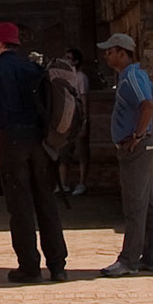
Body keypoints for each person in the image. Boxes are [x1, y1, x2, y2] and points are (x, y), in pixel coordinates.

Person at [0, 22, 67, 282]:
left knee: (20, 204)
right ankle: (57, 265)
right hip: (40, 139)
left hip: (13, 138)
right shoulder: (34, 68)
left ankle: (29, 266)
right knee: (46, 201)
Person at [99, 33, 153, 277]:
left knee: (135, 205)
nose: (106, 55)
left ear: (122, 53)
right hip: (141, 145)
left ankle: (129, 260)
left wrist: (138, 134)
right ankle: (152, 257)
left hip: (136, 147)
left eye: (110, 51)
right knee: (148, 203)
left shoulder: (132, 77)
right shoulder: (134, 76)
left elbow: (147, 104)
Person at [60, 48, 92, 196]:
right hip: (67, 116)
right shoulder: (64, 77)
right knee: (64, 151)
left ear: (75, 61)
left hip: (77, 115)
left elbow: (84, 99)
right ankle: (63, 183)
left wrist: (85, 119)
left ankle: (82, 182)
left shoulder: (81, 78)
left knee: (81, 151)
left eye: (69, 58)